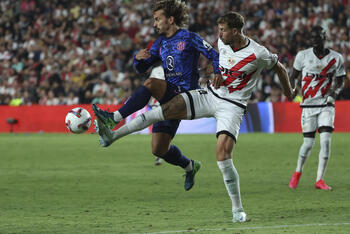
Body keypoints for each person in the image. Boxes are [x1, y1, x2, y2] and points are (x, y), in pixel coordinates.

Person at [93, 11, 294, 223]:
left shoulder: (258, 53)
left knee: (223, 155)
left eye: (223, 30)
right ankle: (112, 135)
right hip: (210, 95)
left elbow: (279, 67)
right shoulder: (221, 41)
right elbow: (219, 61)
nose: (219, 34)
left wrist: (289, 93)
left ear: (235, 32)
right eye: (219, 30)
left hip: (232, 106)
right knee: (164, 110)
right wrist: (212, 70)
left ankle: (238, 211)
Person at [92, 0, 221, 191]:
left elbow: (214, 54)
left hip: (185, 95)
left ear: (170, 19)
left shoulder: (190, 37)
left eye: (157, 19)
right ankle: (190, 166)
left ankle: (114, 118)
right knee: (158, 149)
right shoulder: (160, 42)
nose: (154, 24)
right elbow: (143, 68)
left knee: (152, 84)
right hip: (169, 96)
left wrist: (217, 71)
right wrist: (138, 59)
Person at [288, 26, 346, 190]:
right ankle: (298, 171)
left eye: (317, 37)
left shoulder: (336, 58)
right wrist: (293, 92)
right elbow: (293, 76)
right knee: (308, 144)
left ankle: (319, 180)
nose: (314, 40)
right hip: (308, 105)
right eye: (311, 37)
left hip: (326, 105)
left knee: (326, 141)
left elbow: (341, 80)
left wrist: (333, 94)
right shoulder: (302, 56)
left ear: (324, 37)